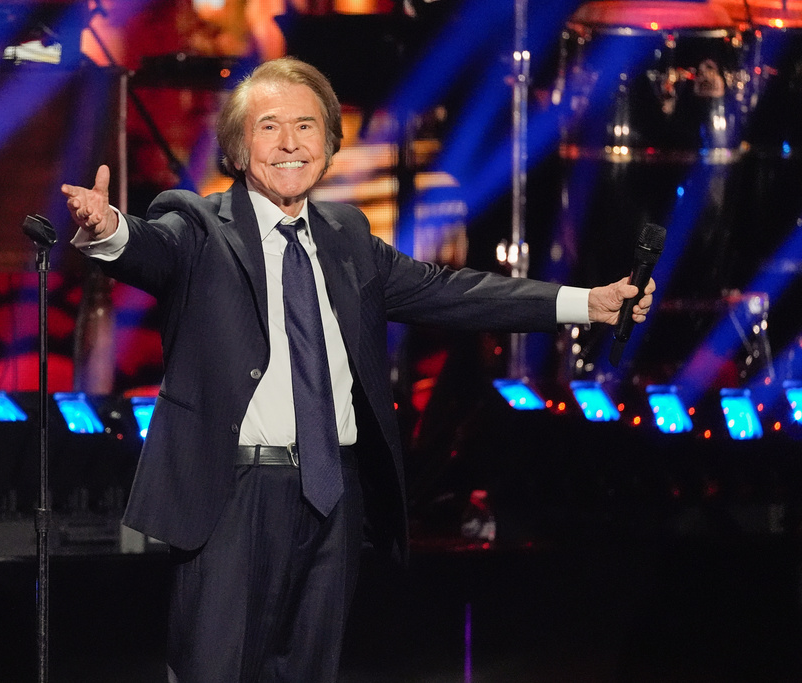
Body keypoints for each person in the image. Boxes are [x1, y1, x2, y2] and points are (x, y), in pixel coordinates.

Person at [61, 56, 654, 683]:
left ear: (329, 145)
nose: (290, 142)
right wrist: (109, 231)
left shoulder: (346, 236)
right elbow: (149, 249)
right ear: (236, 148)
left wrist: (585, 304)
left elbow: (452, 291)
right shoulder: (202, 226)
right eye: (268, 127)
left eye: (306, 126)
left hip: (333, 494)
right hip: (235, 496)